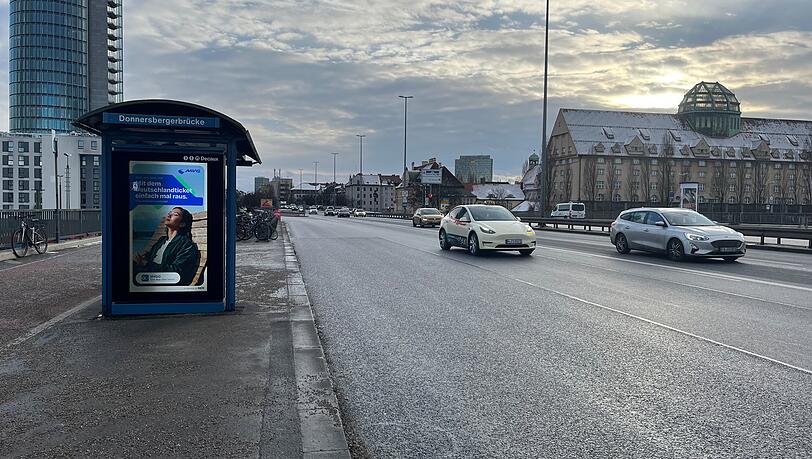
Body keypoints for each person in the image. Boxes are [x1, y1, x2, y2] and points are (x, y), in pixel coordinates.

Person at [133, 207, 201, 285]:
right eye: (170, 213)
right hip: (148, 276)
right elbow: (149, 256)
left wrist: (147, 264)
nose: (169, 215)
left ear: (182, 224)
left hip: (161, 282)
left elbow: (178, 271)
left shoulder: (186, 245)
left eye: (175, 214)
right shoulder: (161, 240)